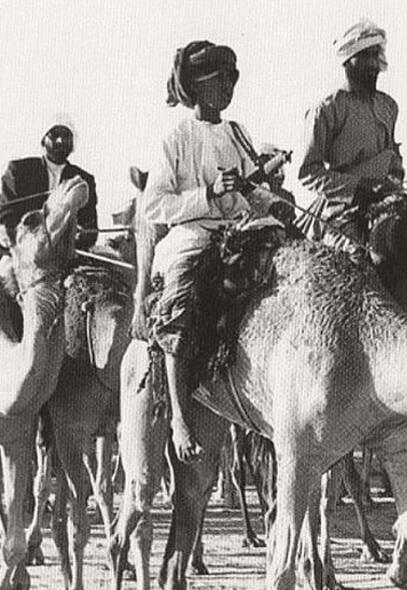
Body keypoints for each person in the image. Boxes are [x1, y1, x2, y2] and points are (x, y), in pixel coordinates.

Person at [145, 40, 262, 459]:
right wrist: (208, 194)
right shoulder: (176, 138)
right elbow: (155, 205)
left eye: (232, 79)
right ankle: (178, 416)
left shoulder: (238, 133)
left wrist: (264, 189)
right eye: (219, 80)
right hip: (192, 235)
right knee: (181, 307)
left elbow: (255, 188)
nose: (228, 87)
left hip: (241, 229)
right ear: (198, 86)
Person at [298, 19, 403, 246]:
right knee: (358, 257)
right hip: (343, 208)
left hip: (387, 200)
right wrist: (356, 189)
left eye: (376, 55)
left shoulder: (389, 106)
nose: (374, 64)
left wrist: (395, 178)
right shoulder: (326, 109)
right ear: (348, 60)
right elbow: (308, 173)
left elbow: (393, 154)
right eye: (366, 56)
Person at [0, 121, 99, 250]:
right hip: (21, 253)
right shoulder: (19, 170)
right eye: (54, 135)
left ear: (73, 145)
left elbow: (90, 229)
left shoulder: (84, 179)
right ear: (42, 140)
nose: (60, 141)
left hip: (68, 256)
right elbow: (8, 220)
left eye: (65, 136)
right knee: (4, 270)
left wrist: (70, 242)